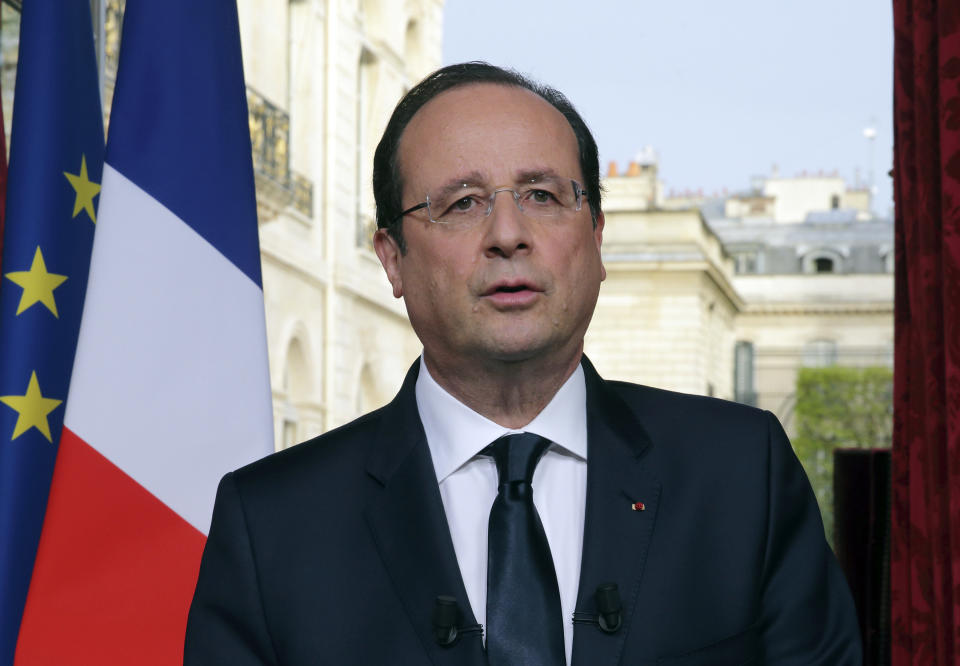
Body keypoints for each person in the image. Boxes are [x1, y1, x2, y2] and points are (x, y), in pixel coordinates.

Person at [184, 62, 862, 665]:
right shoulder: (271, 523)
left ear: (596, 239)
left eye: (541, 195)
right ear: (392, 258)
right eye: (461, 203)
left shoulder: (744, 474)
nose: (508, 235)